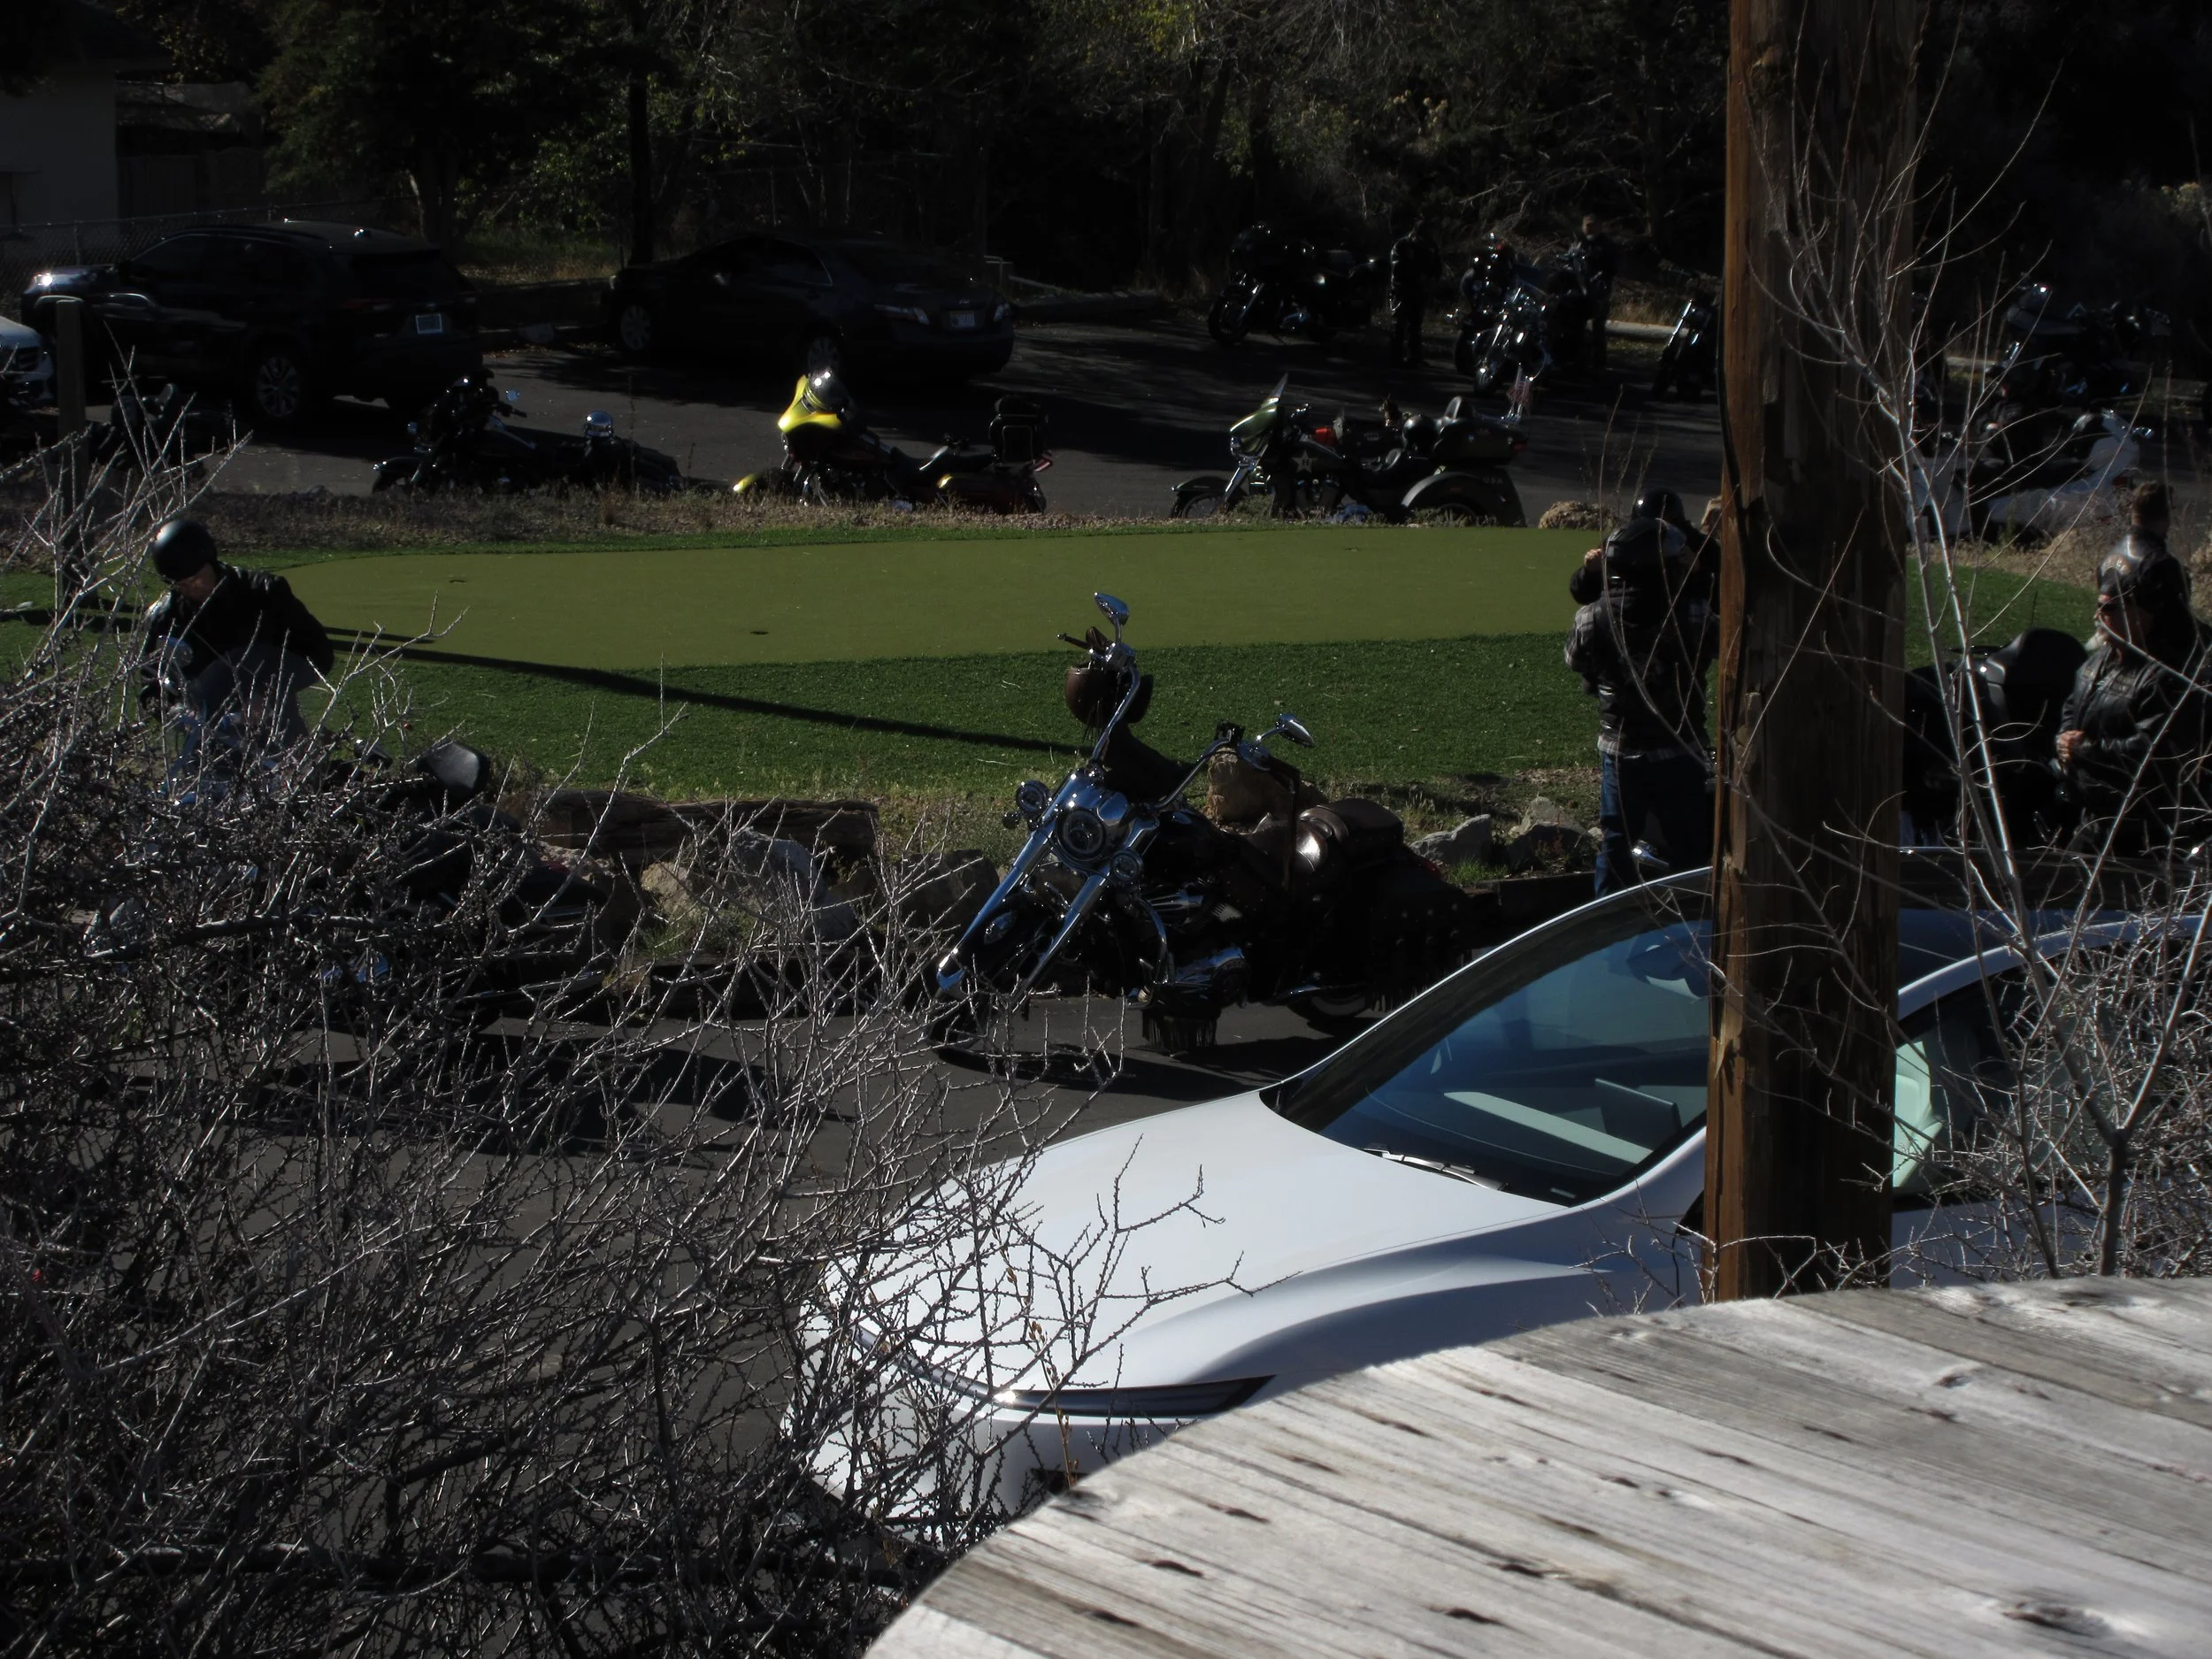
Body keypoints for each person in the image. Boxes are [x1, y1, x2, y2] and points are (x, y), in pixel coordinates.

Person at [2054, 483, 2211, 858]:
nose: (2099, 616)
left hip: (2130, 820)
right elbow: (2180, 625)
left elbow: (2155, 751)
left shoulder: (2111, 556)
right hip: (2107, 821)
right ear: (2167, 512)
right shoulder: (2160, 563)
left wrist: (2082, 749)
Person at [1566, 514, 1718, 893]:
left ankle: (1606, 927)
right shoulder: (1695, 613)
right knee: (1691, 846)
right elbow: (1723, 640)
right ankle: (1695, 923)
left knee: (1616, 842)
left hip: (1621, 749)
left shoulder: (1592, 616)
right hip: (1681, 747)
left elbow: (1575, 661)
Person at [142, 517, 334, 744]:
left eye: (196, 578)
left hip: (275, 731)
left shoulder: (264, 593)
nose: (192, 588)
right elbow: (151, 689)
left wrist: (265, 692)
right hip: (206, 743)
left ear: (210, 561)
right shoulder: (165, 618)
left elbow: (318, 654)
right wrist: (181, 715)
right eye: (180, 585)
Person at [1387, 217, 1442, 368]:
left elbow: (1437, 266)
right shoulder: (1402, 245)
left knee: (1416, 325)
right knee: (1399, 324)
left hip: (1420, 290)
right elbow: (1397, 267)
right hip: (1402, 289)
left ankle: (1414, 356)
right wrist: (1415, 274)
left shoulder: (1430, 246)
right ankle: (1396, 356)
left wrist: (1432, 278)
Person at [1566, 214, 1619, 371]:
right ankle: (1574, 358)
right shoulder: (1578, 244)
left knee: (1598, 326)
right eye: (1587, 225)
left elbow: (1611, 270)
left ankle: (1599, 363)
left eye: (1593, 225)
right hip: (1577, 290)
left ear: (1600, 226)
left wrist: (1598, 279)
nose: (1589, 228)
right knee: (1575, 323)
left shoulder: (1607, 246)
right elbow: (1569, 261)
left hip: (1598, 291)